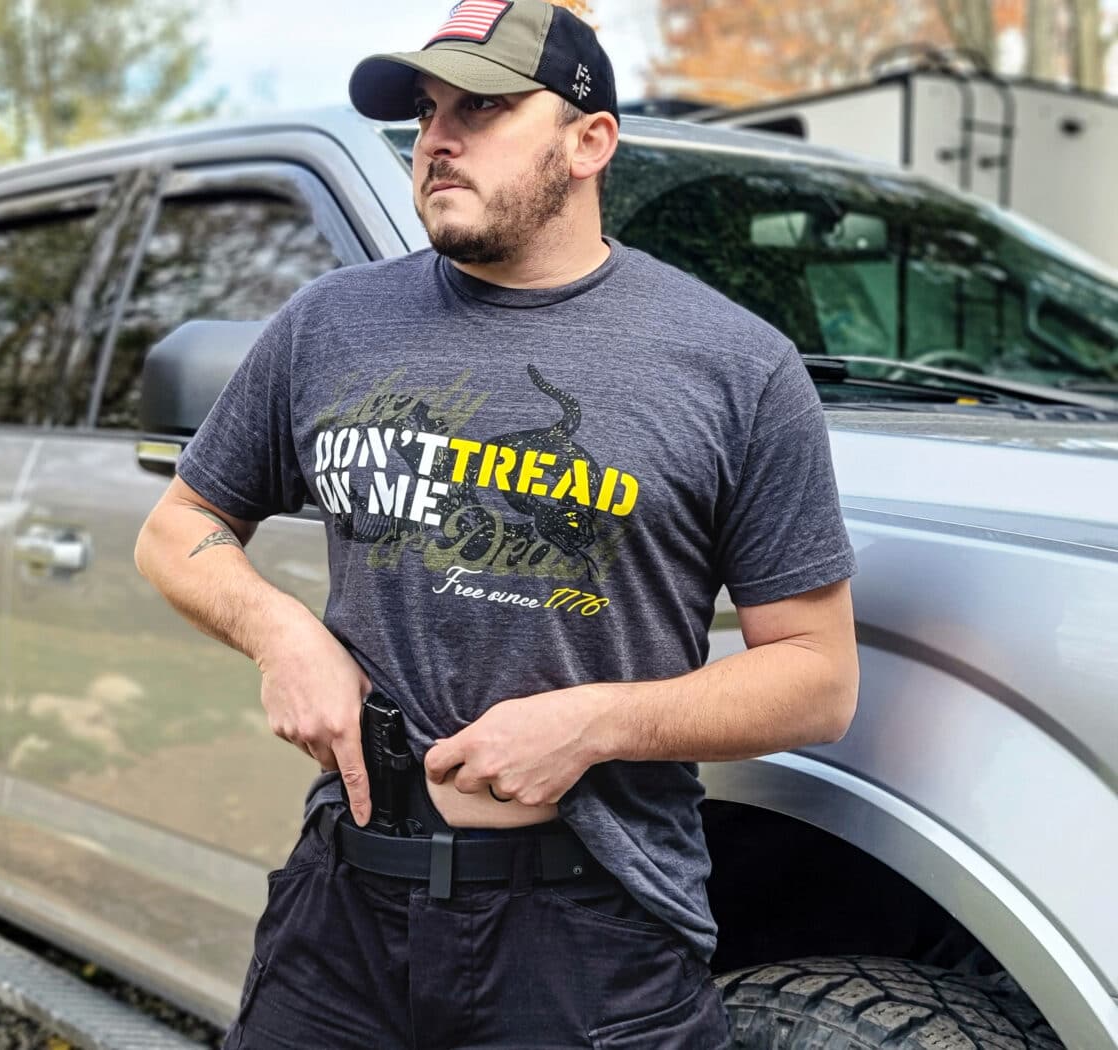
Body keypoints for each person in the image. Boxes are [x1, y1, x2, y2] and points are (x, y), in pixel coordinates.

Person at [134, 1, 860, 1045]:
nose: (436, 138)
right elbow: (179, 525)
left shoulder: (734, 365)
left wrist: (594, 724)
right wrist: (280, 633)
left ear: (588, 140)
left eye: (481, 107)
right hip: (339, 918)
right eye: (427, 111)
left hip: (591, 934)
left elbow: (815, 675)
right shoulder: (330, 324)